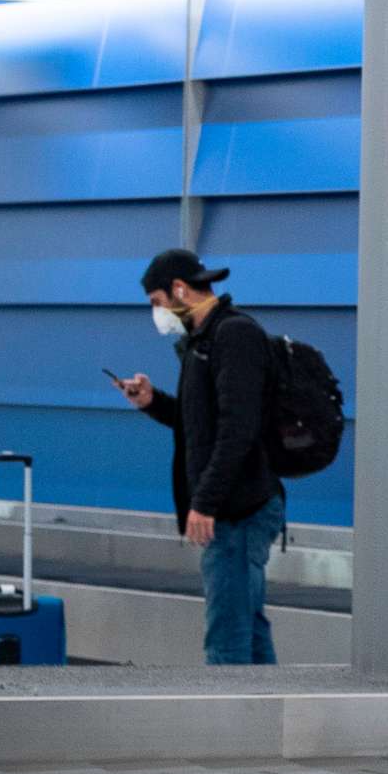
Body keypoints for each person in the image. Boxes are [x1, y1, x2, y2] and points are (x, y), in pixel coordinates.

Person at [117, 248, 286, 666]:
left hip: (238, 513)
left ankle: (231, 729)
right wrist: (153, 401)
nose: (157, 315)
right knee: (247, 629)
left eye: (157, 303)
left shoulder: (234, 336)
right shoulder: (201, 342)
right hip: (232, 510)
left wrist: (205, 502)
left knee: (227, 642)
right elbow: (200, 426)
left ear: (179, 289)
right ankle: (265, 724)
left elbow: (238, 430)